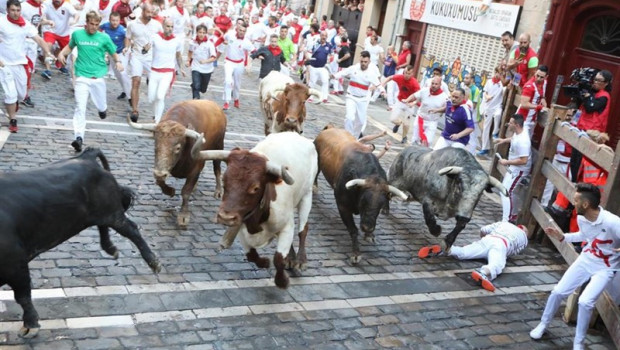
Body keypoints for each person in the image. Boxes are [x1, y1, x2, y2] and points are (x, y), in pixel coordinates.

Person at [530, 183, 620, 350]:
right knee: (557, 292)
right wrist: (563, 237)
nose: (573, 202)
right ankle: (543, 324)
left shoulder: (613, 222)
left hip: (606, 267)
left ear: (586, 204)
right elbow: (584, 235)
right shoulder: (581, 217)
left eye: (576, 200)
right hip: (586, 259)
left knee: (585, 302)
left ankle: (578, 343)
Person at [57, 10, 121, 151]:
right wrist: (62, 53)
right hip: (82, 77)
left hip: (97, 78)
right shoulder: (78, 35)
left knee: (101, 105)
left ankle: (102, 109)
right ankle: (79, 137)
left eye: (96, 24)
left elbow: (113, 52)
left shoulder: (104, 38)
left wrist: (118, 61)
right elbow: (70, 47)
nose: (93, 27)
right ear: (86, 23)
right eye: (91, 24)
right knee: (80, 107)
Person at [419, 221, 529, 292]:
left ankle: (445, 250)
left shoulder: (504, 223)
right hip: (502, 244)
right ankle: (483, 273)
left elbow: (483, 230)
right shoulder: (524, 237)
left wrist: (482, 241)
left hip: (488, 239)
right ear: (524, 231)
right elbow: (514, 252)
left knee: (464, 252)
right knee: (497, 264)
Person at [1, 0, 53, 133]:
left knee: (21, 94)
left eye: (18, 10)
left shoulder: (25, 25)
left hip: (20, 64)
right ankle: (13, 120)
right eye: (13, 10)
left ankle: (14, 104)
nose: (15, 13)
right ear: (7, 10)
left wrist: (47, 52)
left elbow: (39, 39)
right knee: (10, 94)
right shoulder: (2, 22)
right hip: (4, 64)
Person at [569, 70, 613, 181]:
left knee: (581, 163)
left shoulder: (604, 96)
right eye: (595, 79)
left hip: (591, 133)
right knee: (574, 161)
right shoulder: (592, 92)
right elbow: (579, 103)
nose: (595, 82)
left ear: (606, 83)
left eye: (599, 80)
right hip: (581, 129)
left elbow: (590, 107)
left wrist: (588, 96)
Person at [331, 51, 381, 138]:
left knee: (361, 122)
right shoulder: (354, 68)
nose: (363, 64)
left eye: (365, 62)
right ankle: (348, 136)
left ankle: (355, 138)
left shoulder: (371, 73)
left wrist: (383, 92)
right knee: (350, 118)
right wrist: (335, 76)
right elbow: (343, 72)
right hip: (351, 97)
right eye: (362, 61)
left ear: (369, 61)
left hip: (363, 99)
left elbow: (378, 84)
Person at [126, 3, 162, 122]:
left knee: (154, 84)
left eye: (152, 12)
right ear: (142, 12)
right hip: (137, 56)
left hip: (152, 58)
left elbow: (162, 38)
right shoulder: (133, 25)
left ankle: (156, 112)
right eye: (148, 12)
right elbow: (128, 37)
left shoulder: (157, 25)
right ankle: (135, 110)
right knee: (136, 81)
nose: (151, 15)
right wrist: (127, 47)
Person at [494, 114, 531, 223]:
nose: (508, 125)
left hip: (519, 169)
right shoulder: (519, 133)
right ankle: (513, 214)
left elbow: (524, 160)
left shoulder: (523, 141)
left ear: (517, 125)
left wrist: (507, 162)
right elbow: (514, 138)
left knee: (505, 191)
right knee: (509, 191)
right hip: (514, 167)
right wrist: (504, 140)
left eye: (510, 123)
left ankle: (506, 219)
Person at [149, 18, 185, 122]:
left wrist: (181, 68)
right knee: (151, 98)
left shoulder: (177, 40)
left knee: (160, 96)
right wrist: (145, 49)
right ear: (163, 26)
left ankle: (157, 121)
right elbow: (147, 48)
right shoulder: (155, 37)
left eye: (172, 27)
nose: (170, 29)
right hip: (154, 71)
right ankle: (155, 114)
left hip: (167, 72)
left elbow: (178, 56)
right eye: (168, 26)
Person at [405, 76, 449, 147]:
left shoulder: (444, 96)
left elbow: (447, 108)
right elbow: (414, 96)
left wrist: (437, 110)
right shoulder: (424, 90)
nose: (434, 85)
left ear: (440, 85)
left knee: (428, 142)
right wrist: (407, 100)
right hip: (421, 118)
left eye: (436, 84)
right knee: (415, 140)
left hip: (432, 121)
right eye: (432, 83)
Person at [381, 65, 420, 144]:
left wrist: (414, 103)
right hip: (400, 101)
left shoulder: (415, 83)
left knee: (406, 124)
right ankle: (398, 123)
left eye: (409, 74)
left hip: (409, 104)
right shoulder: (400, 77)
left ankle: (404, 136)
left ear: (412, 74)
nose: (406, 75)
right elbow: (390, 78)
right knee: (392, 119)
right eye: (405, 73)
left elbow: (420, 96)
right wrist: (382, 84)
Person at [41, 0, 79, 80]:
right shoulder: (46, 4)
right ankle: (48, 70)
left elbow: (76, 14)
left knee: (66, 51)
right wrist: (47, 21)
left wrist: (74, 21)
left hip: (64, 32)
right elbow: (41, 16)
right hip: (50, 30)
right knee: (47, 46)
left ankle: (62, 66)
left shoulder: (67, 5)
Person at [222, 24, 254, 110]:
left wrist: (261, 55)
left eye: (244, 31)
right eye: (240, 30)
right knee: (228, 81)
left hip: (239, 64)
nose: (242, 32)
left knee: (237, 83)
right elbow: (222, 39)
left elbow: (254, 50)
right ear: (237, 30)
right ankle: (226, 101)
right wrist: (215, 46)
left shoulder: (247, 42)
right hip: (228, 61)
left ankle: (236, 99)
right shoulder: (230, 35)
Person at [100, 12, 131, 101]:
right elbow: (98, 29)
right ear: (110, 20)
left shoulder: (122, 30)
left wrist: (126, 47)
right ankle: (125, 90)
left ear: (119, 21)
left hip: (121, 53)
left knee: (123, 73)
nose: (115, 22)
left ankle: (130, 97)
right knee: (118, 75)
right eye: (113, 20)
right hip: (112, 54)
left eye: (117, 21)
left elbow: (128, 37)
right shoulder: (105, 25)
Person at [478, 66, 505, 156]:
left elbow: (505, 89)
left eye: (501, 74)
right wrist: (487, 97)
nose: (499, 75)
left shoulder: (502, 84)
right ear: (495, 72)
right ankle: (484, 148)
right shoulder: (489, 82)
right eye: (498, 73)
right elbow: (485, 92)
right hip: (488, 107)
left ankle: (495, 132)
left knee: (498, 115)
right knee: (486, 128)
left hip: (497, 106)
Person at [516, 65, 548, 138]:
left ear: (546, 77)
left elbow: (542, 94)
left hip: (532, 119)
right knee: (521, 143)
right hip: (523, 119)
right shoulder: (529, 86)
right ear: (535, 73)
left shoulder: (545, 82)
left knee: (526, 142)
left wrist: (543, 98)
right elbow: (524, 104)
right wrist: (538, 107)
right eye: (537, 75)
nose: (539, 78)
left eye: (541, 77)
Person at [187, 24, 216, 99]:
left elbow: (213, 57)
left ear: (206, 33)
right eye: (200, 32)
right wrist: (188, 60)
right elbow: (190, 51)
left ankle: (195, 86)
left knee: (203, 89)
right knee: (196, 85)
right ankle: (196, 100)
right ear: (197, 32)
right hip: (196, 67)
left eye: (203, 33)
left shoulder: (209, 44)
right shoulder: (193, 42)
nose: (201, 34)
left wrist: (205, 61)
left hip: (207, 69)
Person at [307, 31, 332, 103]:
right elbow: (309, 52)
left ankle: (324, 97)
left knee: (325, 81)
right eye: (322, 35)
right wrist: (308, 59)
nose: (323, 37)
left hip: (322, 67)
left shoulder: (329, 45)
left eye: (325, 36)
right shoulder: (315, 44)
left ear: (327, 37)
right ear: (320, 36)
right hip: (313, 66)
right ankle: (310, 97)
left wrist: (330, 59)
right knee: (312, 82)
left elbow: (331, 54)